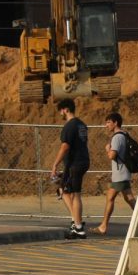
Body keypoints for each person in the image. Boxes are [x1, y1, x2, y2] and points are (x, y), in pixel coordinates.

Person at [51, 98, 91, 239]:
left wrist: (55, 164)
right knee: (63, 189)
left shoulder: (70, 126)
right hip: (80, 161)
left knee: (76, 194)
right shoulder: (82, 125)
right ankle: (76, 220)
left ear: (65, 109)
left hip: (75, 163)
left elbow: (65, 146)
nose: (60, 114)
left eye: (61, 111)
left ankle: (79, 228)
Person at [93, 112, 136, 236]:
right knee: (129, 198)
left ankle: (103, 226)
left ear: (115, 123)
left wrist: (108, 150)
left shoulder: (117, 137)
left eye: (108, 122)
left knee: (110, 197)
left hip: (120, 173)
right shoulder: (124, 134)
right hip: (123, 172)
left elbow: (112, 155)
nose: (106, 125)